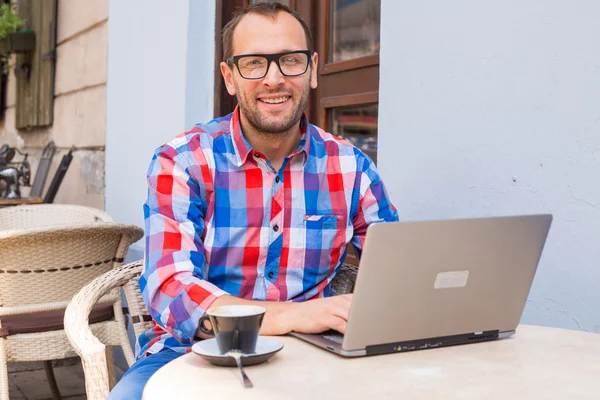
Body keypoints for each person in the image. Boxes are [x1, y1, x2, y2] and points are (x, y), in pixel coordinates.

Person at [107, 2, 397, 399]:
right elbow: (171, 288)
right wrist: (291, 316)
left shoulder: (352, 167)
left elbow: (395, 271)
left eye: (290, 61)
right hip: (191, 353)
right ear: (229, 77)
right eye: (254, 63)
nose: (274, 79)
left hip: (311, 353)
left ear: (312, 70)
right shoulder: (184, 162)